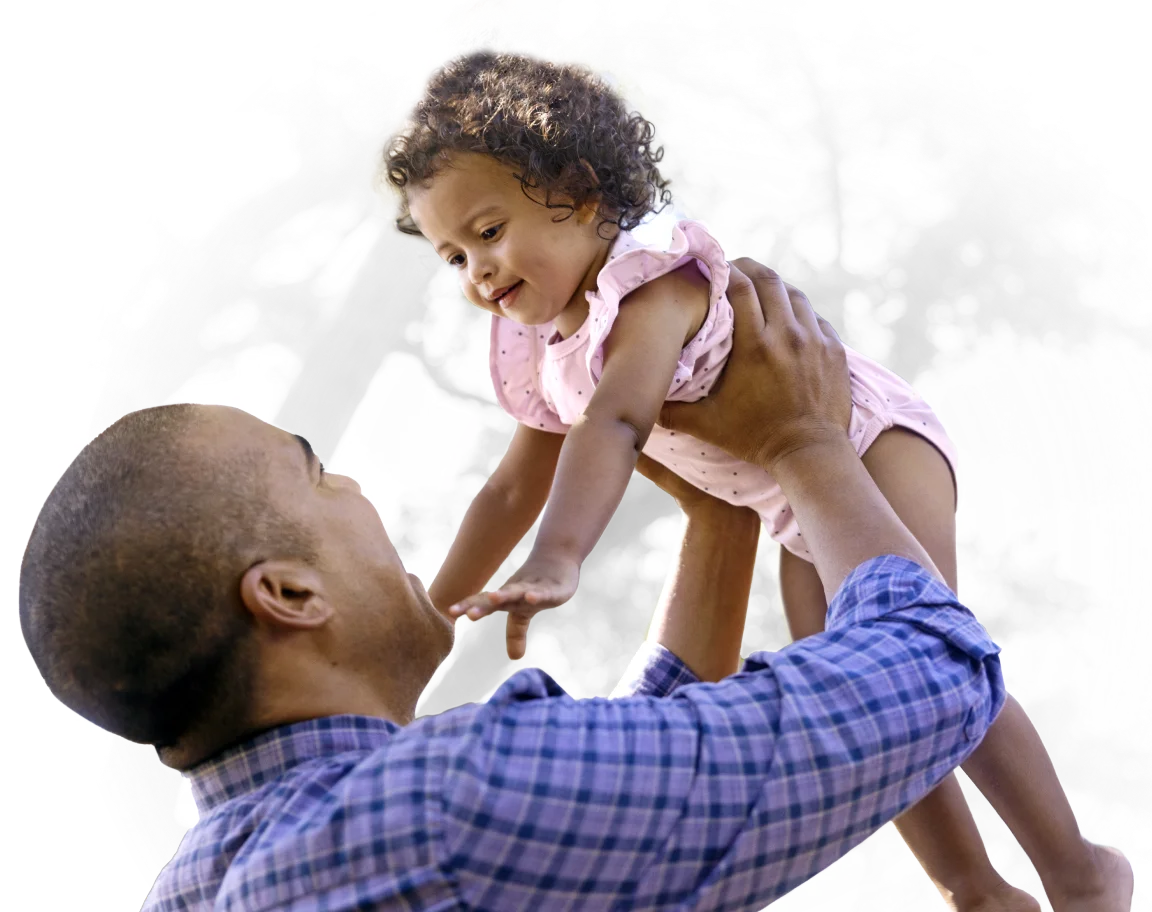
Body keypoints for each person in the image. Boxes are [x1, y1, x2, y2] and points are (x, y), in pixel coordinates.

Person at [23, 260, 1052, 910]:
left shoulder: (212, 879)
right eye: (320, 477)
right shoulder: (441, 807)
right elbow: (931, 669)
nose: (361, 494)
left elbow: (642, 770)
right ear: (288, 595)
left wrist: (718, 508)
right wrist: (801, 439)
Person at [375, 46, 1131, 912]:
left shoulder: (649, 284)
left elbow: (616, 422)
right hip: (784, 494)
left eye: (488, 232)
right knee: (860, 682)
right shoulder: (540, 346)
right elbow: (509, 489)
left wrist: (557, 559)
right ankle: (974, 886)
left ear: (581, 193)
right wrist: (426, 629)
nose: (476, 274)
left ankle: (1077, 867)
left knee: (928, 651)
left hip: (869, 440)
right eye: (451, 257)